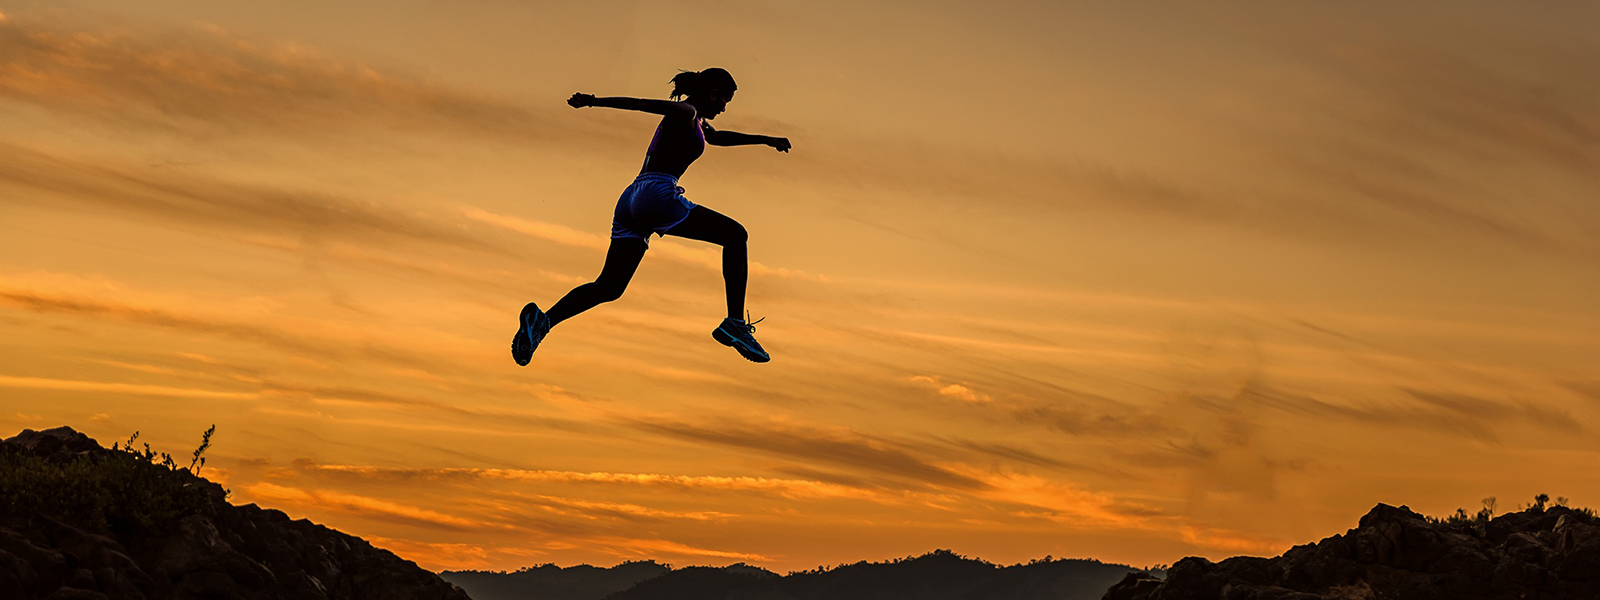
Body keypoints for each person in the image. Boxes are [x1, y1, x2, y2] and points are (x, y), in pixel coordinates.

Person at [513, 67, 791, 366]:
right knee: (735, 235)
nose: (724, 107)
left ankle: (543, 322)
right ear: (712, 94)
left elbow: (718, 138)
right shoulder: (685, 111)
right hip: (656, 193)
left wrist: (765, 139)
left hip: (631, 198)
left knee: (609, 286)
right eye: (725, 100)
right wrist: (594, 101)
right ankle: (735, 322)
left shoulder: (697, 120)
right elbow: (642, 104)